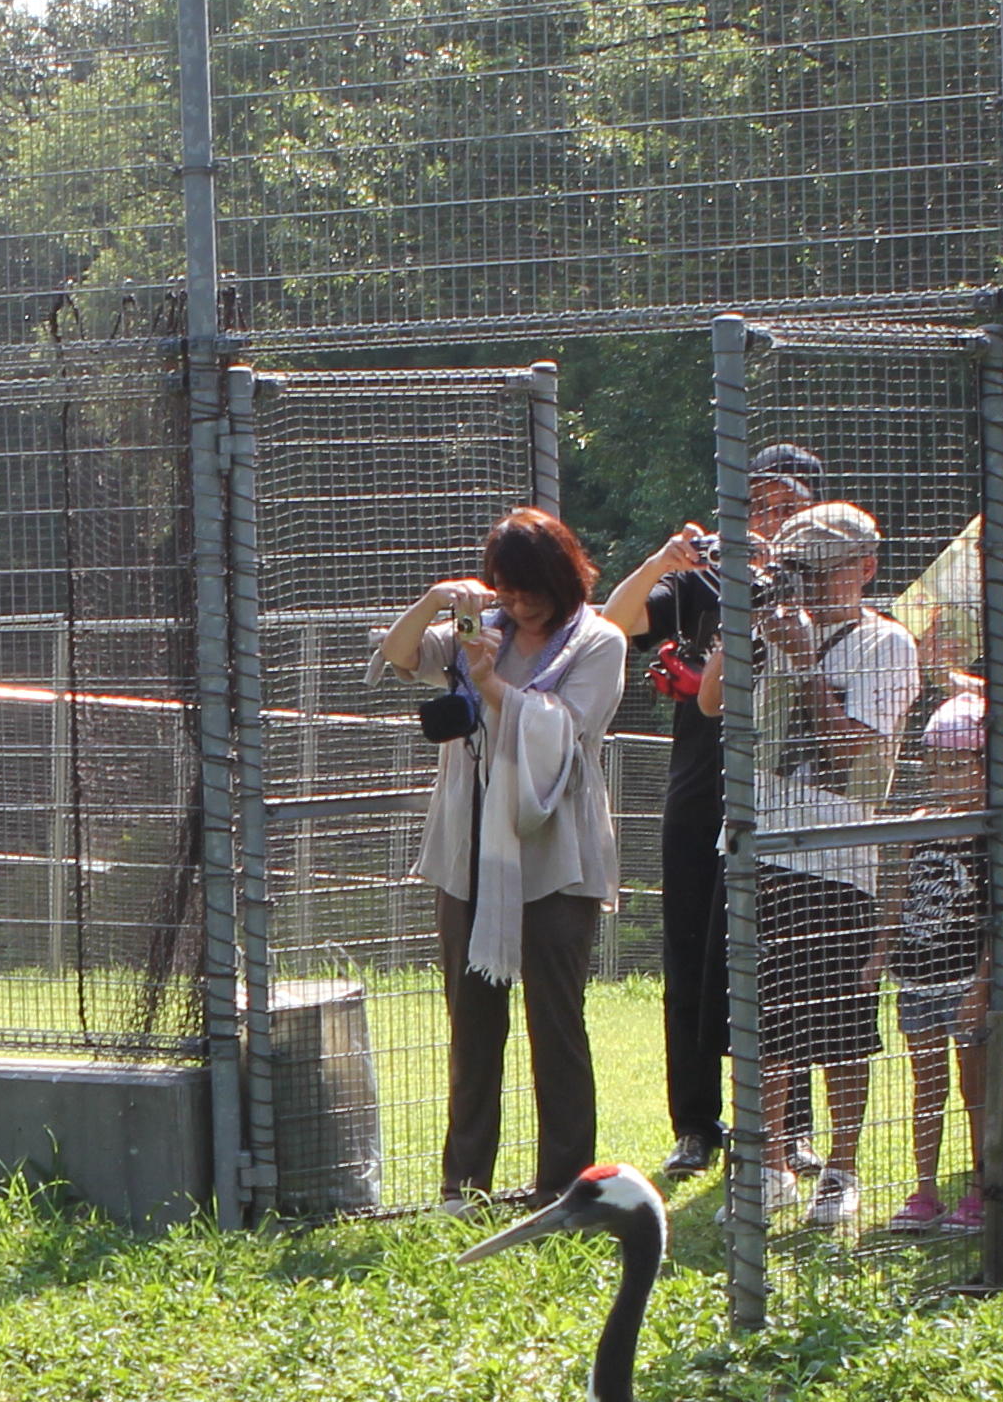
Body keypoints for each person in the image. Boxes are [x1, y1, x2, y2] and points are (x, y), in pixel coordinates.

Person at [377, 506, 628, 1203]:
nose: (520, 605)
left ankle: (566, 1187)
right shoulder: (477, 632)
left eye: (533, 590)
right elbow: (398, 657)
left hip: (558, 855)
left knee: (557, 1022)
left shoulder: (599, 643)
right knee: (472, 1023)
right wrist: (438, 601)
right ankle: (464, 1185)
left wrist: (491, 686)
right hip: (469, 849)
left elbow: (566, 731)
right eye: (506, 591)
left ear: (566, 578)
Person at [599, 442, 822, 1180]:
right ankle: (695, 1125)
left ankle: (792, 1131)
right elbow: (614, 622)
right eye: (757, 504)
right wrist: (663, 562)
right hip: (699, 789)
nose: (768, 519)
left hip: (789, 794)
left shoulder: (822, 586)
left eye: (786, 507)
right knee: (690, 954)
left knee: (790, 958)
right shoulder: (697, 586)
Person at [713, 502, 924, 1235]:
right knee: (763, 1016)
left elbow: (849, 756)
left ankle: (841, 1169)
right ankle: (766, 1165)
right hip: (756, 843)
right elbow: (716, 707)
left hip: (838, 856)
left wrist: (804, 662)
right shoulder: (768, 631)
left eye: (822, 570)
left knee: (838, 1025)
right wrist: (745, 633)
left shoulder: (887, 646)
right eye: (794, 570)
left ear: (865, 568)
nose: (805, 586)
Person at [885, 646, 993, 1229]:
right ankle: (923, 1192)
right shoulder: (920, 824)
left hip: (964, 978)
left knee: (973, 1086)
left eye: (960, 766)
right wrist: (879, 956)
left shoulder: (995, 835)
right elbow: (898, 895)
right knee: (925, 1087)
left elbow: (1002, 921)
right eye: (939, 766)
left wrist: (981, 984)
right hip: (916, 977)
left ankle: (980, 1187)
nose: (947, 778)